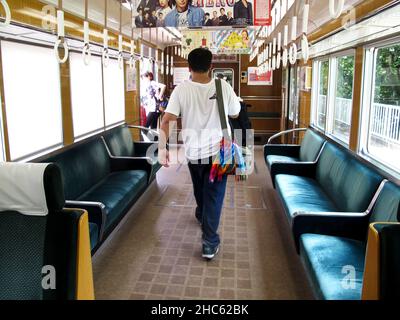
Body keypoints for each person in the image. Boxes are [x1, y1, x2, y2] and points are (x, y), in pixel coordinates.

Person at [159, 48, 241, 260]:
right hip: (219, 154)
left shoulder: (181, 90)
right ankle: (209, 241)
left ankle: (205, 223)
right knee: (212, 195)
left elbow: (167, 120)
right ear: (211, 66)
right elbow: (235, 113)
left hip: (193, 153)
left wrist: (161, 148)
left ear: (189, 67)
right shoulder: (222, 86)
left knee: (200, 190)